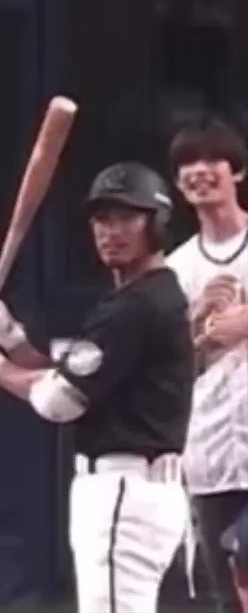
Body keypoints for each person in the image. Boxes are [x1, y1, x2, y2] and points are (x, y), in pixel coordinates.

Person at [0, 161, 194, 612]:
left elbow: (57, 401)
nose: (110, 230)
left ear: (157, 223)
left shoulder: (138, 306)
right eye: (102, 219)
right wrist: (12, 338)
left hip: (126, 489)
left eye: (127, 217)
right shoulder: (141, 298)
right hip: (131, 488)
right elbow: (68, 378)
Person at [165, 118, 248, 613]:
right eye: (186, 165)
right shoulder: (175, 270)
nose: (199, 171)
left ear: (236, 171)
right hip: (211, 454)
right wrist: (199, 338)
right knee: (227, 598)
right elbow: (169, 371)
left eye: (211, 159)